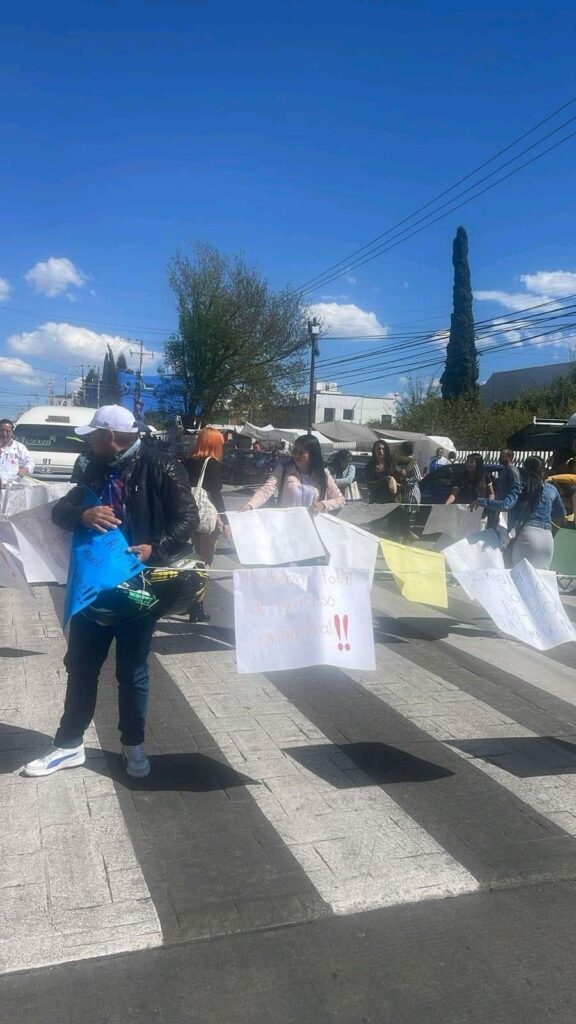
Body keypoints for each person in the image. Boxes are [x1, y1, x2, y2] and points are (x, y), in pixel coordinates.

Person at [23, 405, 198, 780]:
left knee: (132, 670)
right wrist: (82, 516)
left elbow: (189, 518)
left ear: (110, 436)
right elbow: (61, 511)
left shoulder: (162, 466)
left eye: (92, 434)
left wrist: (156, 546)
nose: (87, 440)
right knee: (81, 666)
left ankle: (132, 743)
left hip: (140, 587)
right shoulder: (90, 465)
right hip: (93, 587)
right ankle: (68, 745)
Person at [474, 456, 565, 569]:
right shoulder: (551, 489)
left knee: (519, 580)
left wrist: (482, 501)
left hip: (526, 536)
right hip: (547, 540)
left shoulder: (521, 486)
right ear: (543, 471)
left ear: (524, 470)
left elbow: (505, 505)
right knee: (540, 582)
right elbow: (561, 515)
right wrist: (551, 532)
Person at [183, 426, 228, 623]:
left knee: (195, 557)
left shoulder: (188, 461)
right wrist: (225, 521)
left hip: (191, 514)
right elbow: (215, 495)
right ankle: (196, 605)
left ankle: (189, 601)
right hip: (207, 517)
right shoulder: (212, 464)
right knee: (206, 560)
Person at [240, 434, 344, 513]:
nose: (296, 455)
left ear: (312, 455)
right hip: (286, 527)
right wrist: (250, 505)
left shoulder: (323, 474)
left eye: (302, 453)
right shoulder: (284, 469)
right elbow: (267, 490)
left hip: (312, 528)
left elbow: (340, 499)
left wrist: (324, 505)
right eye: (295, 451)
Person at [487, 449, 521, 529]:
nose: (499, 458)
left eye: (502, 456)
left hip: (508, 507)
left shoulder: (512, 471)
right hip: (501, 504)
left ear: (508, 458)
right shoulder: (505, 470)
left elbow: (516, 489)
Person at [0, 418, 35, 485]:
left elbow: (30, 462)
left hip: (12, 486)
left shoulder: (19, 447)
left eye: (7, 431)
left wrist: (25, 469)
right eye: (2, 431)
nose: (4, 434)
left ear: (12, 432)